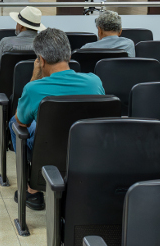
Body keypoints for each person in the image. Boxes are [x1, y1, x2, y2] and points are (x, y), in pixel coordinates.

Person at [10, 27, 105, 210]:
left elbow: (21, 122)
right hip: (89, 153)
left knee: (14, 123)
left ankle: (31, 191)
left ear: (41, 60)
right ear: (68, 56)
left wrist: (34, 78)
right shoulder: (95, 81)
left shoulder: (34, 89)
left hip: (49, 154)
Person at [0, 7, 44, 82]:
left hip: (6, 91)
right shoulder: (44, 45)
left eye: (17, 23)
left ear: (21, 26)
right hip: (36, 89)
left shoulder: (6, 43)